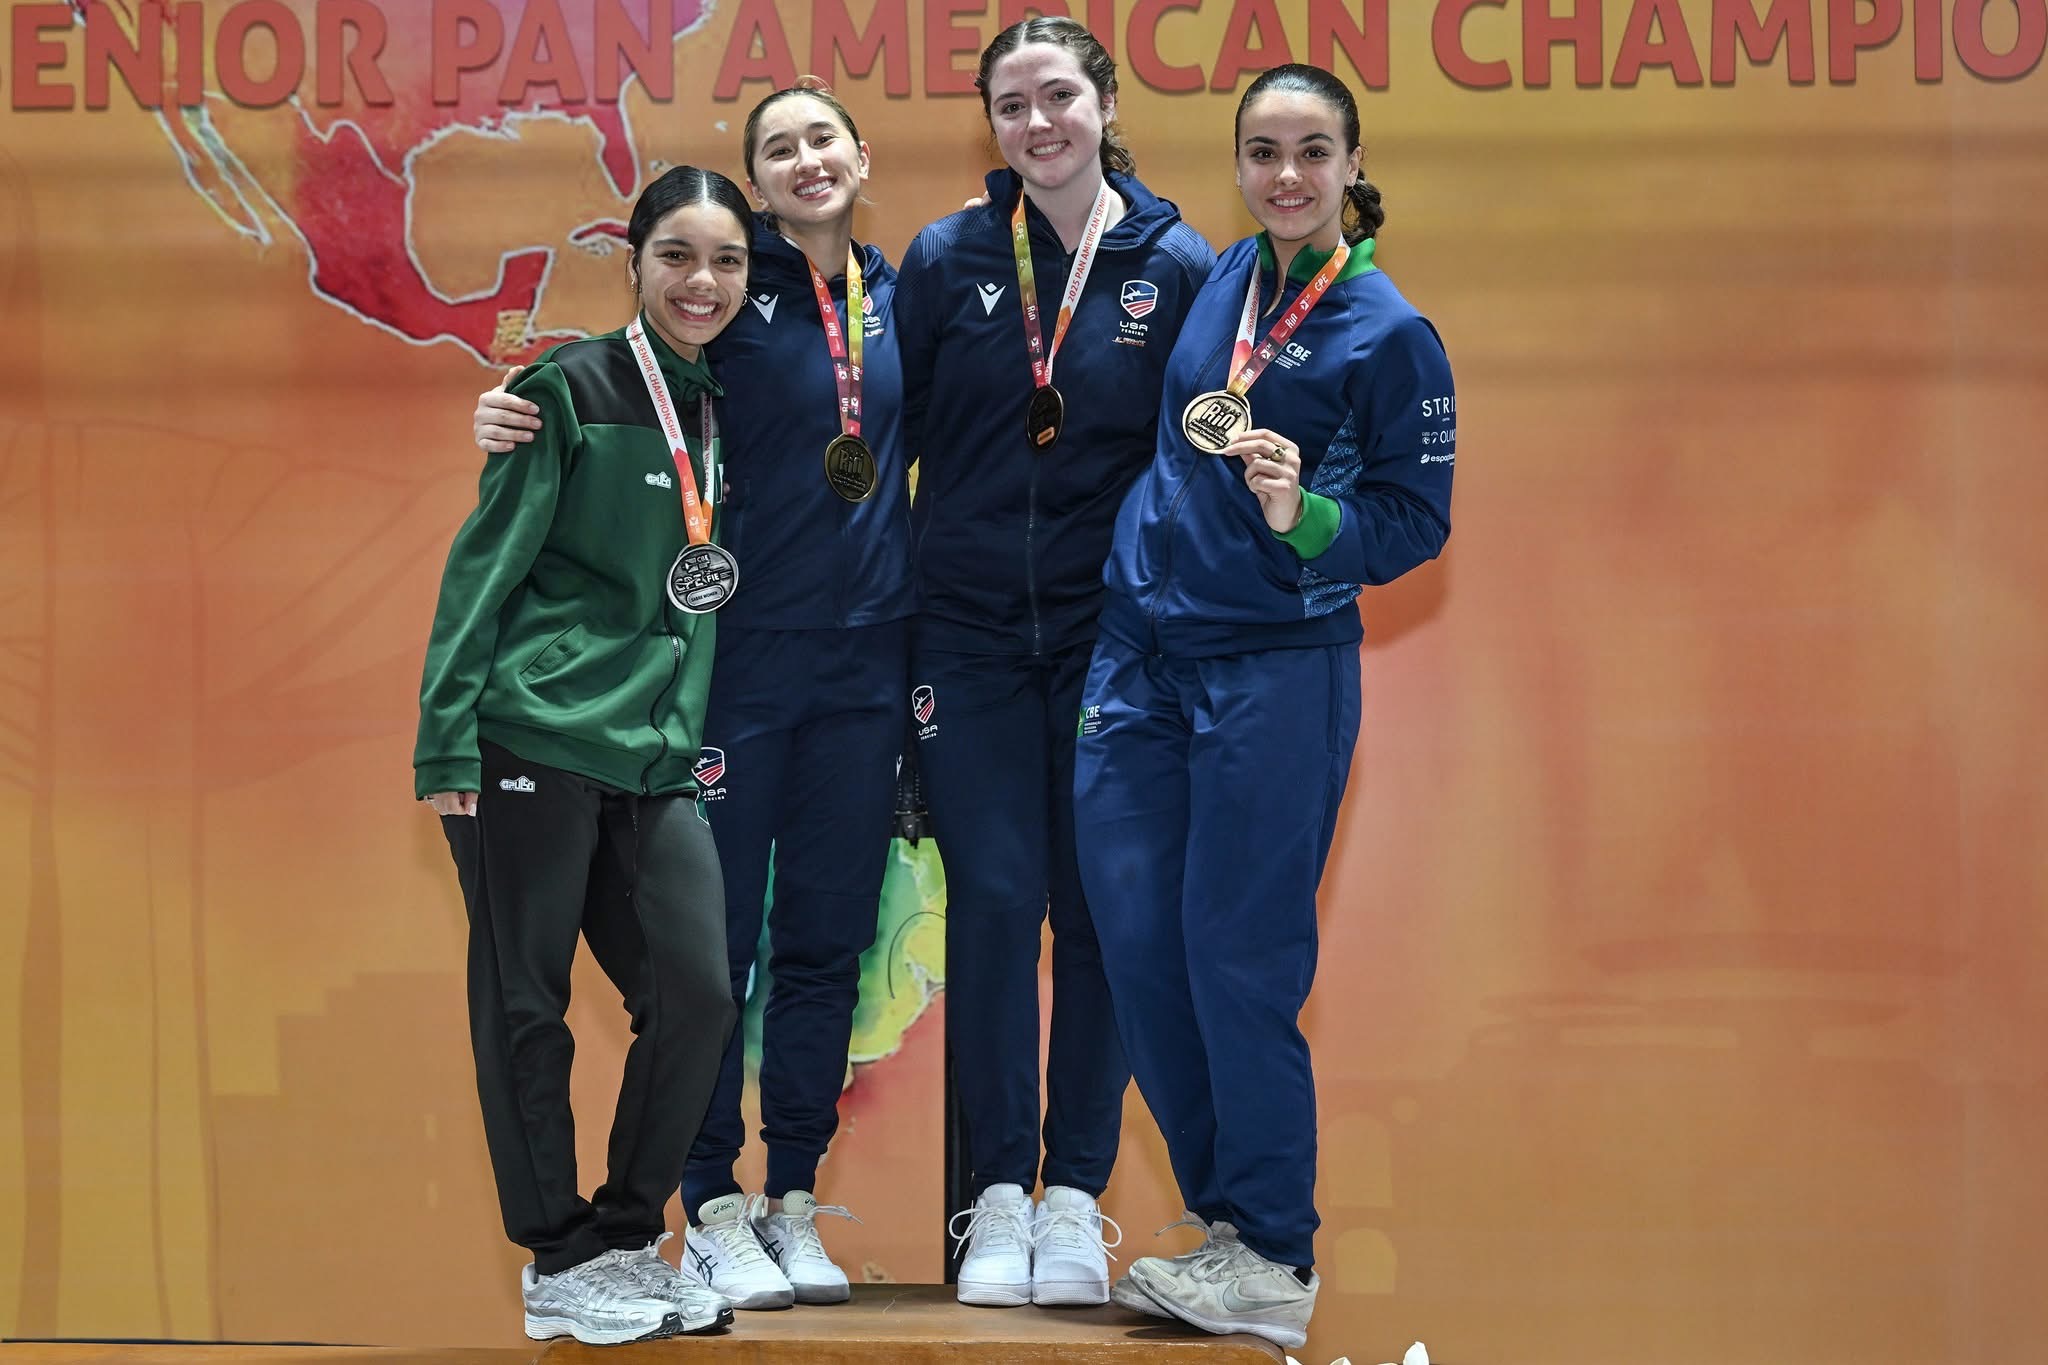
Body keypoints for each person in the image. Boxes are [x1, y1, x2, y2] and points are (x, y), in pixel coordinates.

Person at [470, 83, 912, 1310]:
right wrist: (514, 408)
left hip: (857, 671)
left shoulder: (901, 294)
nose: (805, 161)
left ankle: (787, 1198)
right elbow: (625, 374)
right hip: (726, 671)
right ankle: (705, 1207)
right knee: (700, 959)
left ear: (860, 156)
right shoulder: (728, 299)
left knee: (818, 945)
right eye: (778, 148)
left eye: (822, 139)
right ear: (753, 181)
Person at [1072, 64, 1458, 1352]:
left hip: (1274, 669)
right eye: (1261, 151)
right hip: (1141, 656)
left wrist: (1305, 516)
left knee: (1237, 959)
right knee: (1138, 948)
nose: (1285, 175)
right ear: (1237, 162)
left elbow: (1412, 522)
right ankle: (1226, 1228)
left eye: (1310, 151)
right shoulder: (1223, 277)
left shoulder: (1388, 333)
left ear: (1351, 163)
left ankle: (1273, 1251)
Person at [891, 16, 1215, 1309]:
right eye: (1012, 104)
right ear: (991, 123)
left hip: (1112, 643)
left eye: (1059, 97)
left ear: (1106, 103)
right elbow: (878, 424)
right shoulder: (948, 257)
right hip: (964, 637)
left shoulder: (1175, 263)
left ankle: (1074, 1195)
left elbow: (1200, 459)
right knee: (991, 900)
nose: (1038, 123)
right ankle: (995, 1201)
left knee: (1099, 908)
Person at [414, 164, 754, 1346]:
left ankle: (619, 1238)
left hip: (654, 755)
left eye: (726, 261)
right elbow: (484, 566)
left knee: (697, 996)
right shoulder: (565, 387)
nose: (701, 282)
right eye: (677, 257)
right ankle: (557, 1259)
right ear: (634, 261)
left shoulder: (719, 403)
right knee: (526, 1001)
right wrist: (445, 741)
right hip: (532, 734)